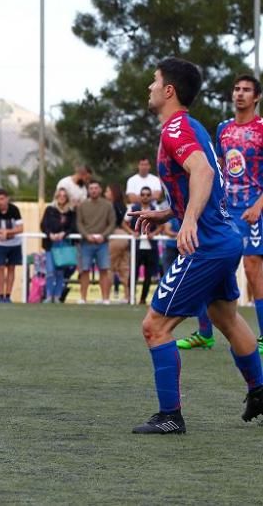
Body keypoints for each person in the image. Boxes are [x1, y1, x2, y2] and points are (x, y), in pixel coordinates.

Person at [128, 57, 263, 434]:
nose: (150, 88)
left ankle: (170, 416)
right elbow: (202, 182)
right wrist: (168, 213)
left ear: (169, 90)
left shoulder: (175, 128)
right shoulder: (194, 127)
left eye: (154, 81)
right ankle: (260, 389)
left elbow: (202, 172)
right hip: (224, 239)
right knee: (226, 317)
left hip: (205, 244)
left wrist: (187, 221)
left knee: (154, 326)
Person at [178, 74, 263, 352]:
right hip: (226, 208)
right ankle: (205, 333)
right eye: (237, 89)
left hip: (253, 208)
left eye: (247, 90)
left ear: (257, 97)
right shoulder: (223, 128)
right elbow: (219, 167)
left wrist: (259, 205)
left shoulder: (262, 128)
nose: (240, 94)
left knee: (253, 268)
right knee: (209, 262)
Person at [75, 180, 116, 304]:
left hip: (102, 243)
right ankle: (83, 298)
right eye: (91, 188)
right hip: (86, 243)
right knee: (84, 270)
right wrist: (86, 235)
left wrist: (103, 236)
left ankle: (105, 298)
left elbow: (112, 223)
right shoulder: (82, 205)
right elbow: (79, 222)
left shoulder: (108, 205)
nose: (93, 190)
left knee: (104, 270)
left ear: (100, 190)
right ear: (88, 190)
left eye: (96, 188)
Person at [41, 187, 76, 303]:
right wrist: (49, 234)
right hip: (51, 244)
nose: (61, 198)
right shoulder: (50, 210)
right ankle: (49, 295)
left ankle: (57, 296)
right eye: (59, 195)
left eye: (64, 196)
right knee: (50, 271)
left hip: (63, 245)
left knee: (60, 271)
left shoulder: (70, 212)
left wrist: (63, 234)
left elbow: (72, 227)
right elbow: (43, 225)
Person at [130, 186, 162, 306]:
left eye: (148, 195)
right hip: (136, 246)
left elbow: (161, 226)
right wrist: (132, 232)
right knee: (133, 273)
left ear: (151, 196)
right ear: (140, 196)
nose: (145, 197)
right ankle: (130, 297)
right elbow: (124, 223)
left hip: (150, 247)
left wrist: (153, 233)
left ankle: (143, 299)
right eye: (143, 194)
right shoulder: (133, 208)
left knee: (149, 275)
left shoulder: (156, 209)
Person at [105, 183, 132, 301]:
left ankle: (106, 296)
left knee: (109, 266)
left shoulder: (111, 206)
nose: (105, 194)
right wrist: (130, 233)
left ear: (112, 193)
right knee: (124, 267)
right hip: (125, 238)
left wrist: (130, 231)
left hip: (116, 235)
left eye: (107, 191)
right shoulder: (123, 206)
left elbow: (121, 222)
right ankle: (128, 296)